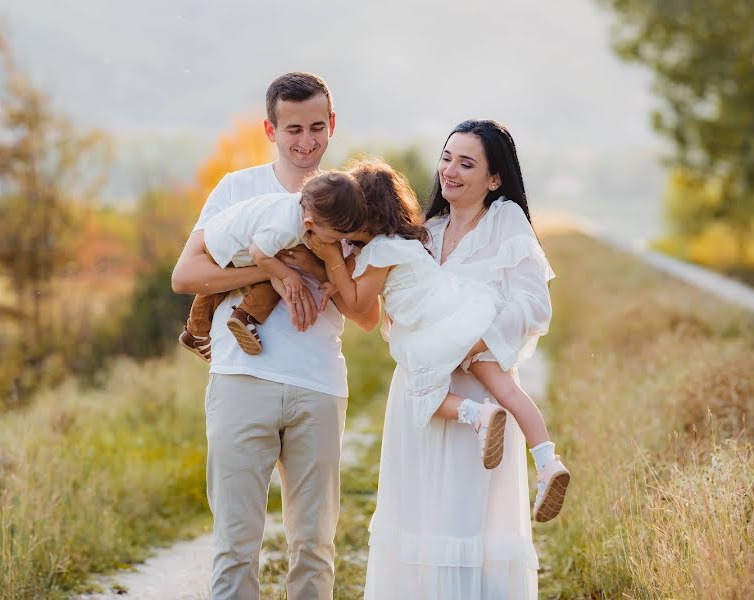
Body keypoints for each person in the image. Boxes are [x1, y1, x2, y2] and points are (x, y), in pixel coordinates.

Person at [171, 72, 379, 600]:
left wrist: (330, 256)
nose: (305, 141)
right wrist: (273, 274)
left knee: (314, 547)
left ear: (332, 125)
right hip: (242, 379)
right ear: (270, 128)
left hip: (318, 385)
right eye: (292, 129)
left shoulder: (348, 203)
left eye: (316, 127)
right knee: (236, 544)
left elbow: (367, 316)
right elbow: (186, 276)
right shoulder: (237, 189)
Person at [358, 120, 556, 599]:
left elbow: (533, 307)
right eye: (447, 157)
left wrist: (468, 344)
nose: (450, 170)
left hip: (477, 393)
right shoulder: (424, 233)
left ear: (494, 178)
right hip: (420, 396)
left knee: (468, 528)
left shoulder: (504, 222)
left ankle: (546, 461)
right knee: (418, 519)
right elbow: (400, 309)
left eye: (466, 163)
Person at [311, 159, 569, 522]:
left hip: (436, 330)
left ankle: (478, 415)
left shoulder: (380, 252)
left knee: (421, 393)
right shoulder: (411, 240)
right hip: (471, 310)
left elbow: (357, 302)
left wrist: (330, 258)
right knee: (507, 388)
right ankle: (547, 461)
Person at [179, 172, 366, 360]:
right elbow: (258, 253)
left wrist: (333, 283)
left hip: (226, 232)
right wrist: (286, 275)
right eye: (334, 238)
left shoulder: (304, 208)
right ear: (309, 224)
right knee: (281, 273)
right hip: (229, 245)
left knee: (278, 267)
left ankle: (197, 331)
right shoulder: (286, 227)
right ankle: (243, 316)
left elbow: (332, 252)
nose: (336, 242)